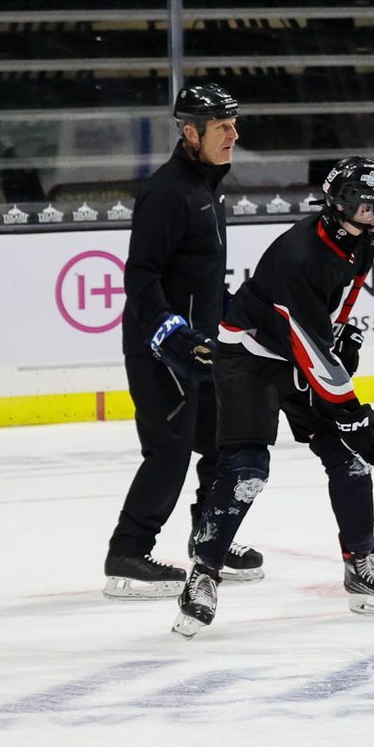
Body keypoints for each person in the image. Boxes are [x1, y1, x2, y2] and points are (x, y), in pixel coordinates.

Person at [173, 156, 374, 637]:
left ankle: (360, 563)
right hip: (249, 354)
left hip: (295, 352)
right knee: (247, 468)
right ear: (343, 206)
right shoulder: (299, 256)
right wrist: (352, 412)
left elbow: (332, 318)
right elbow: (309, 347)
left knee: (348, 457)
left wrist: (341, 337)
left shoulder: (359, 244)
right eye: (372, 209)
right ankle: (203, 573)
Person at [103, 84, 264, 599]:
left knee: (224, 441)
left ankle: (208, 538)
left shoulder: (209, 189)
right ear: (190, 133)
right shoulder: (166, 193)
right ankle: (127, 553)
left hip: (203, 349)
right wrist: (168, 335)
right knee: (169, 451)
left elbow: (200, 274)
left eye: (234, 125)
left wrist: (234, 315)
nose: (234, 135)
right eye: (222, 127)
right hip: (160, 351)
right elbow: (141, 277)